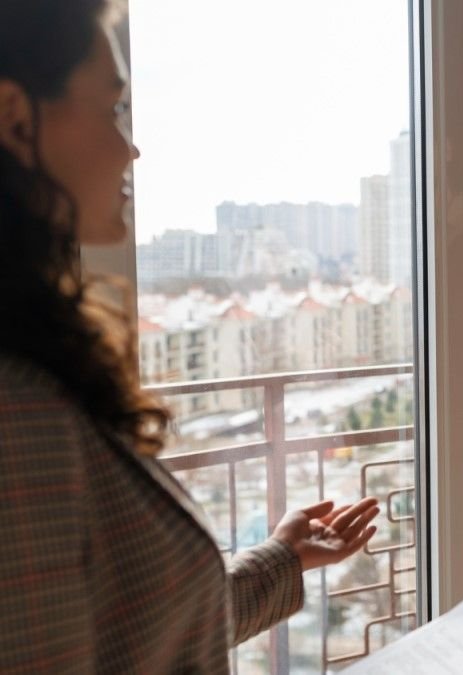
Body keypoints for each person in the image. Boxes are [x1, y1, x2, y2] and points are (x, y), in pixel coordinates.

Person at [0, 1, 379, 671]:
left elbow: (135, 632)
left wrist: (282, 559)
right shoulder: (16, 408)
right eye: (113, 110)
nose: (132, 147)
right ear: (15, 117)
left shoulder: (38, 365)